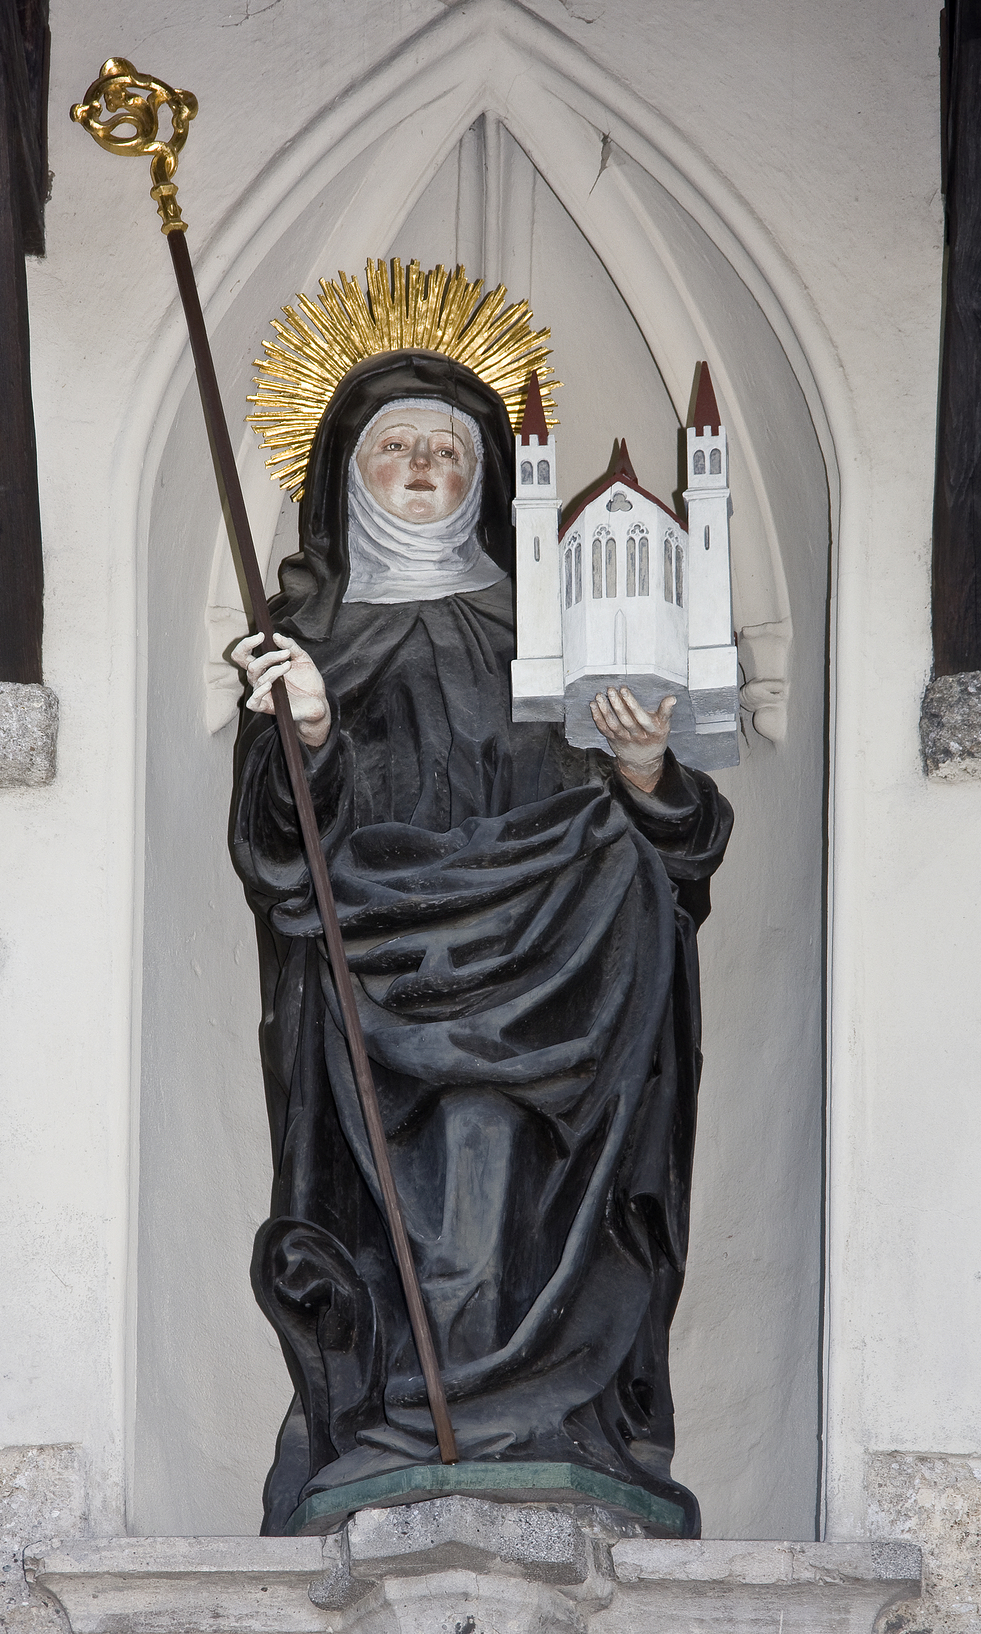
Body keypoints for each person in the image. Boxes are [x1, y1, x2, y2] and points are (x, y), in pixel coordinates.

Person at [229, 347, 732, 1538]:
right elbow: (272, 851)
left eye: (449, 450)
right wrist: (306, 734)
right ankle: (402, 1418)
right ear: (346, 478)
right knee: (418, 1188)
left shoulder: (547, 624)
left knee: (505, 1167)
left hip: (549, 979)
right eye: (395, 447)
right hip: (380, 979)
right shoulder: (310, 641)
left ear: (486, 479)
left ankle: (540, 1418)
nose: (422, 467)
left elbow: (674, 848)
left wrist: (644, 770)